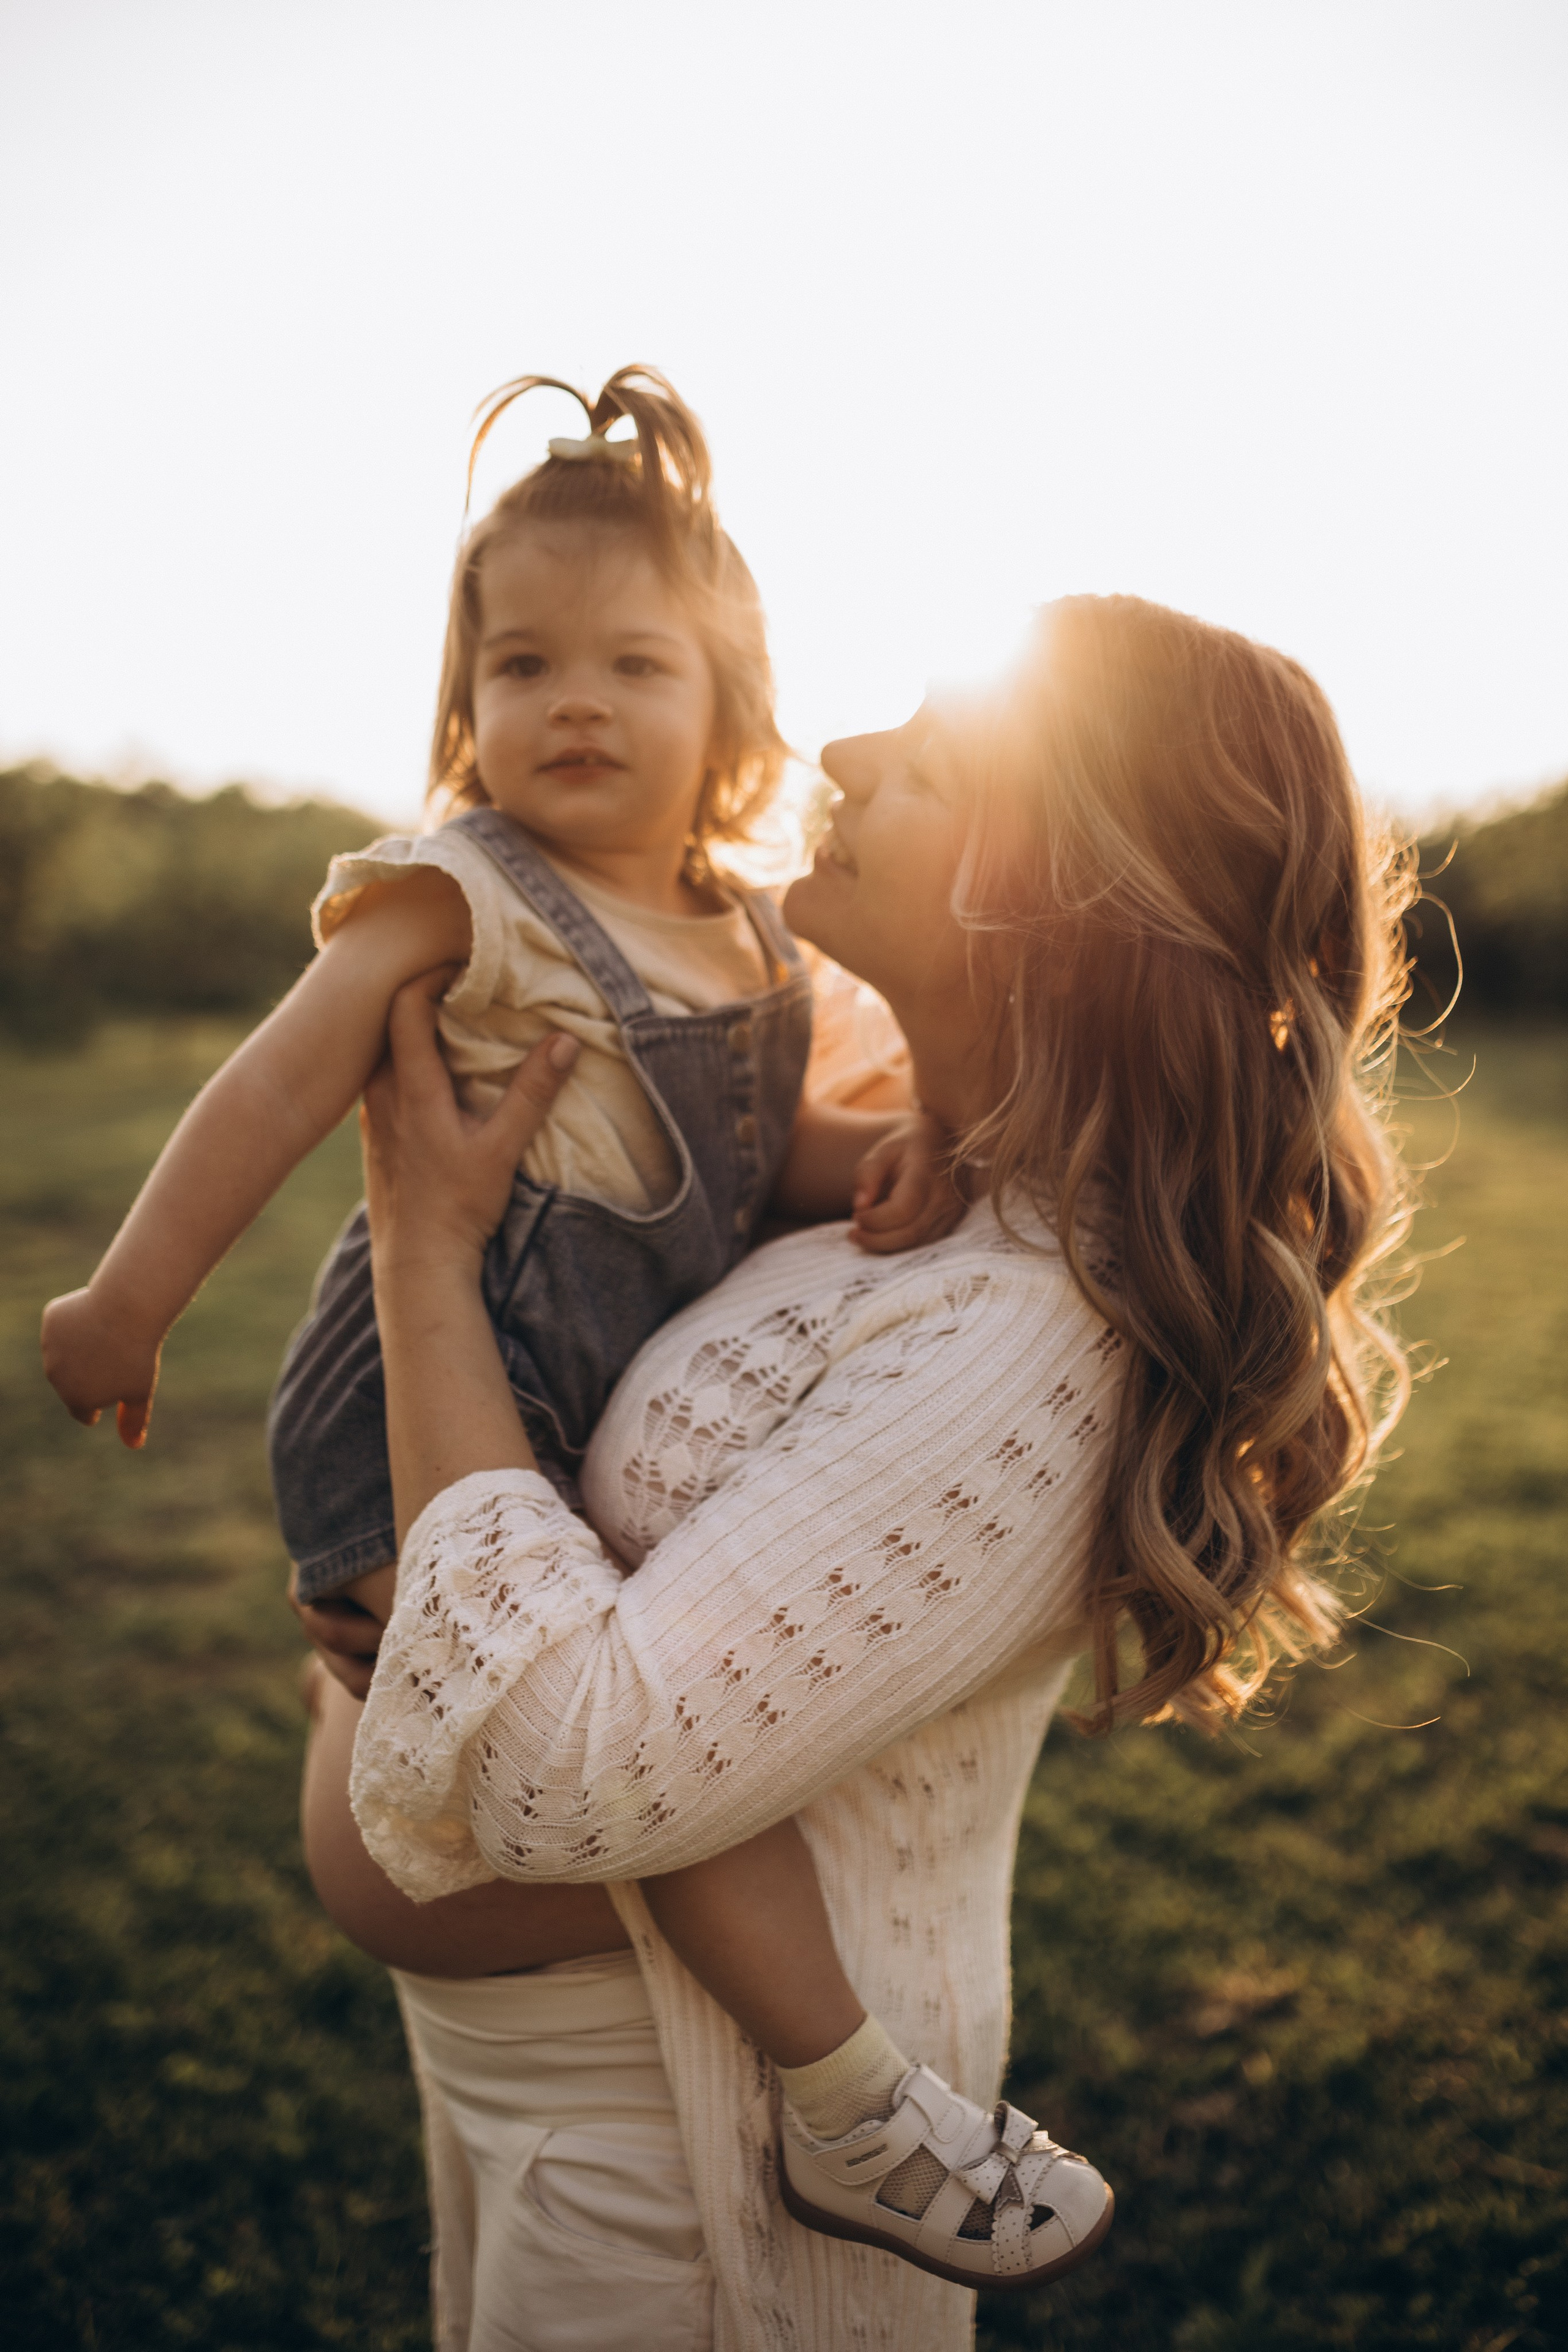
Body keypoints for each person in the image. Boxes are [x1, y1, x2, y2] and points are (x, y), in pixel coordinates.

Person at [295, 591, 1418, 2350]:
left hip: (693, 2175)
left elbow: (582, 1773)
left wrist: (422, 1250)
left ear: (1065, 899)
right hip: (548, 2111)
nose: (840, 755)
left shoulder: (1026, 1336)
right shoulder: (897, 1162)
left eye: (936, 761)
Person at [39, 367, 1049, 2304]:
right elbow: (273, 1092)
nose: (571, 703)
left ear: (730, 715)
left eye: (633, 666)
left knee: (651, 1733)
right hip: (422, 1415)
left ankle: (841, 2095)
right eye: (521, 665)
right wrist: (129, 1296)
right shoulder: (459, 900)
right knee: (636, 1765)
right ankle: (851, 2093)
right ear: (463, 709)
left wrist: (886, 1154)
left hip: (546, 1428)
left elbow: (735, 1165)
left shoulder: (746, 937)